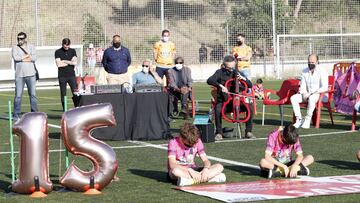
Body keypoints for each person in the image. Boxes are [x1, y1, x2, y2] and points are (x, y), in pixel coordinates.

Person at [207, 55, 255, 140]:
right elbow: (209, 80)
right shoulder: (219, 72)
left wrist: (243, 78)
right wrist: (221, 86)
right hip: (224, 101)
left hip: (237, 101)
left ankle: (248, 131)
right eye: (229, 68)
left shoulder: (237, 72)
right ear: (224, 66)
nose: (232, 70)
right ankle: (219, 133)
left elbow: (250, 85)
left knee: (250, 107)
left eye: (233, 67)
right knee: (217, 110)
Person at [290, 54, 328, 129]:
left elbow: (324, 87)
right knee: (293, 98)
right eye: (309, 62)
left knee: (312, 98)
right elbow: (302, 85)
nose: (310, 64)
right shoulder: (304, 71)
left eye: (312, 62)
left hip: (320, 95)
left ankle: (307, 120)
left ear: (317, 62)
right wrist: (304, 93)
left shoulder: (322, 71)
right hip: (307, 94)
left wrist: (312, 94)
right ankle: (299, 120)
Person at [12, 32, 38, 119]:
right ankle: (16, 113)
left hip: (31, 74)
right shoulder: (15, 48)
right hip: (19, 75)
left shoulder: (31, 46)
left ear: (25, 39)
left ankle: (34, 112)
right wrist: (26, 57)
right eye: (18, 38)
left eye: (21, 38)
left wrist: (22, 58)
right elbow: (16, 58)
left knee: (33, 95)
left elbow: (34, 58)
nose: (19, 40)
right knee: (18, 95)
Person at [55, 38, 78, 111]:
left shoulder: (73, 51)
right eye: (65, 46)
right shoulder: (58, 52)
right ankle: (65, 110)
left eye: (68, 46)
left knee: (75, 93)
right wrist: (70, 62)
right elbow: (59, 64)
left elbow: (74, 62)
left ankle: (77, 108)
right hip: (62, 76)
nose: (66, 48)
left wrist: (64, 61)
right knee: (63, 94)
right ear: (62, 44)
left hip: (71, 75)